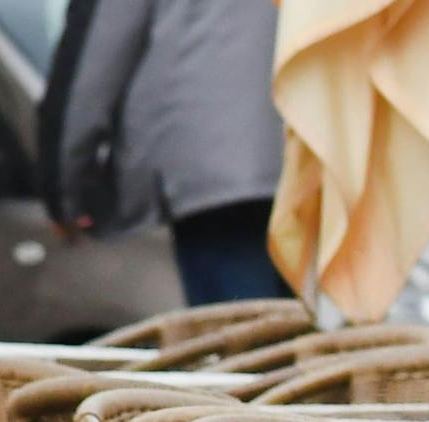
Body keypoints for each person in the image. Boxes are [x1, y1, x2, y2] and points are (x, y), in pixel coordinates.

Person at [37, 0, 289, 306]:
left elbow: (92, 66)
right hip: (313, 163)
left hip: (211, 179)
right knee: (310, 339)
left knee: (242, 338)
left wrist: (65, 198)